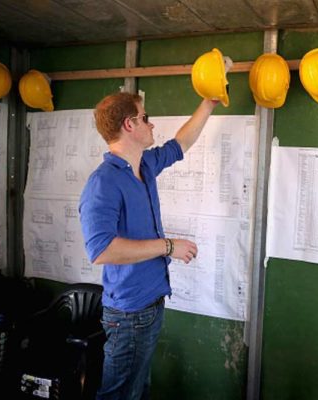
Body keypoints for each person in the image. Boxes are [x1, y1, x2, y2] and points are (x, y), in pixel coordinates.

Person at [79, 92, 218, 399]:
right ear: (130, 124)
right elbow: (101, 250)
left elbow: (180, 144)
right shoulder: (104, 182)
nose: (151, 124)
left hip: (150, 305)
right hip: (129, 314)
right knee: (120, 395)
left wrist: (208, 103)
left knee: (137, 389)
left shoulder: (144, 166)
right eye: (145, 117)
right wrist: (168, 247)